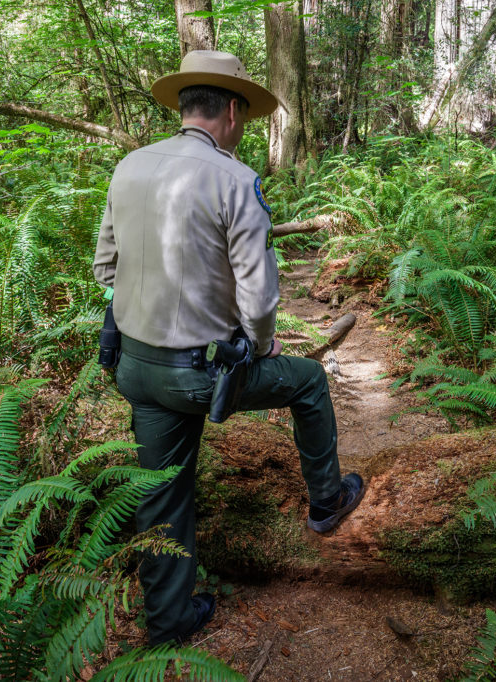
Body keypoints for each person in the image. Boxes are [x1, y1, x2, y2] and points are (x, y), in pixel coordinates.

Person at [92, 50, 365, 647]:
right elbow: (261, 297)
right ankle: (326, 502)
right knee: (309, 383)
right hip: (201, 376)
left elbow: (104, 268)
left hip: (134, 369)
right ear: (234, 111)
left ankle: (167, 620)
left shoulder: (129, 166)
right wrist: (260, 346)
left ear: (187, 105)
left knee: (162, 491)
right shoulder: (234, 178)